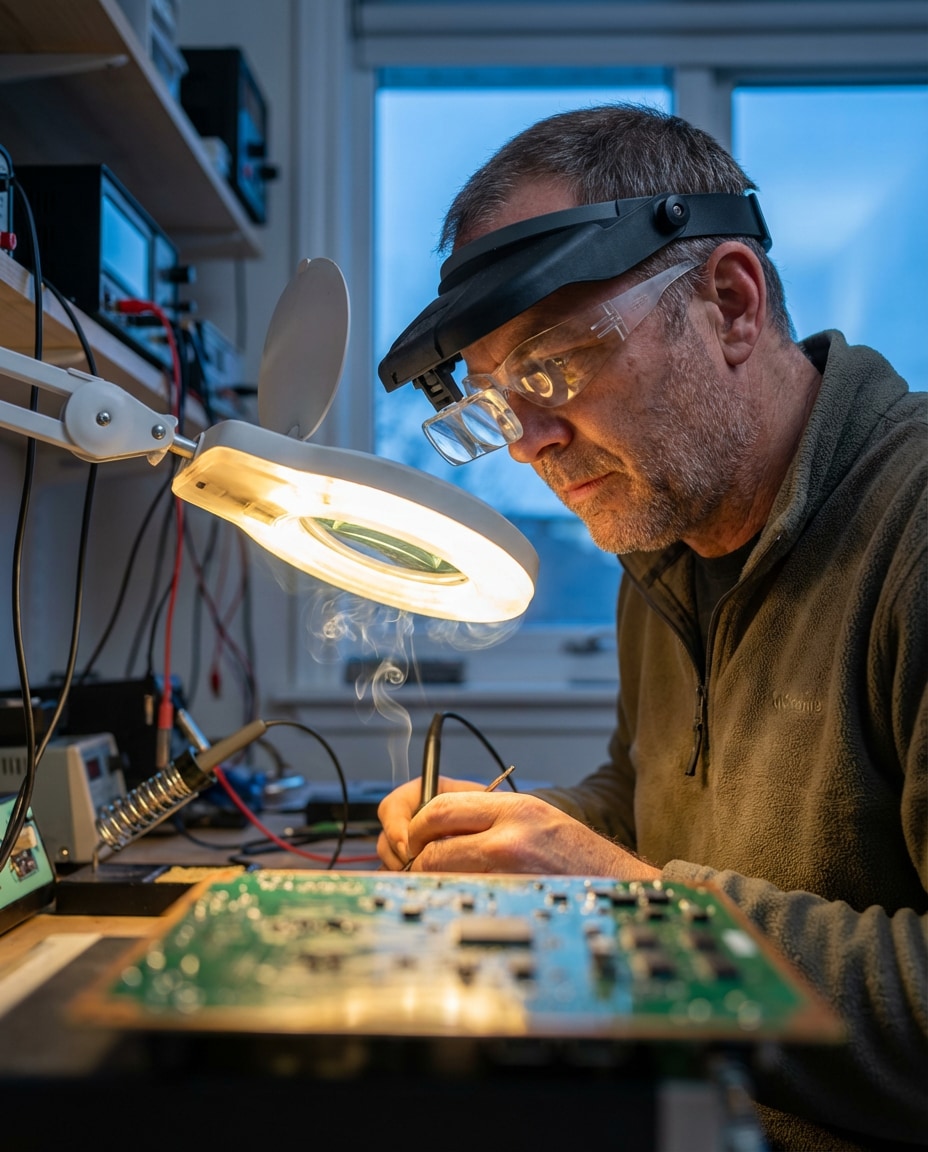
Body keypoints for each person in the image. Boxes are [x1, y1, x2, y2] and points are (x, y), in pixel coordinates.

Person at [374, 104, 927, 1151]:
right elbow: (650, 802)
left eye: (552, 366)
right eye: (495, 403)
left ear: (728, 302)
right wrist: (520, 839)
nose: (527, 442)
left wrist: (616, 907)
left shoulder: (913, 530)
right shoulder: (662, 545)